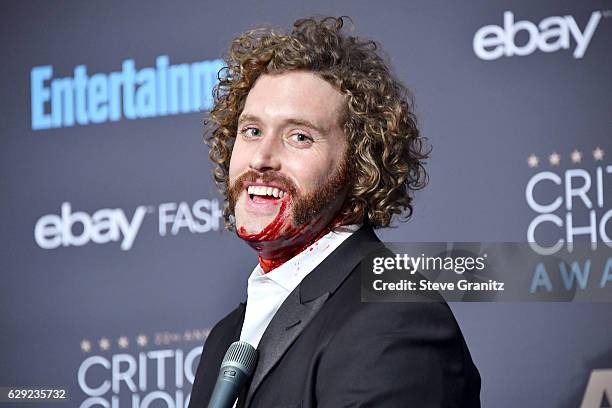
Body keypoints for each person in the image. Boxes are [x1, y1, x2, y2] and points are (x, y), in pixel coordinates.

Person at [189, 16, 481, 407]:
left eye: (299, 137)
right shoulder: (225, 340)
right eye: (252, 131)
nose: (261, 157)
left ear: (361, 166)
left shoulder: (392, 318)